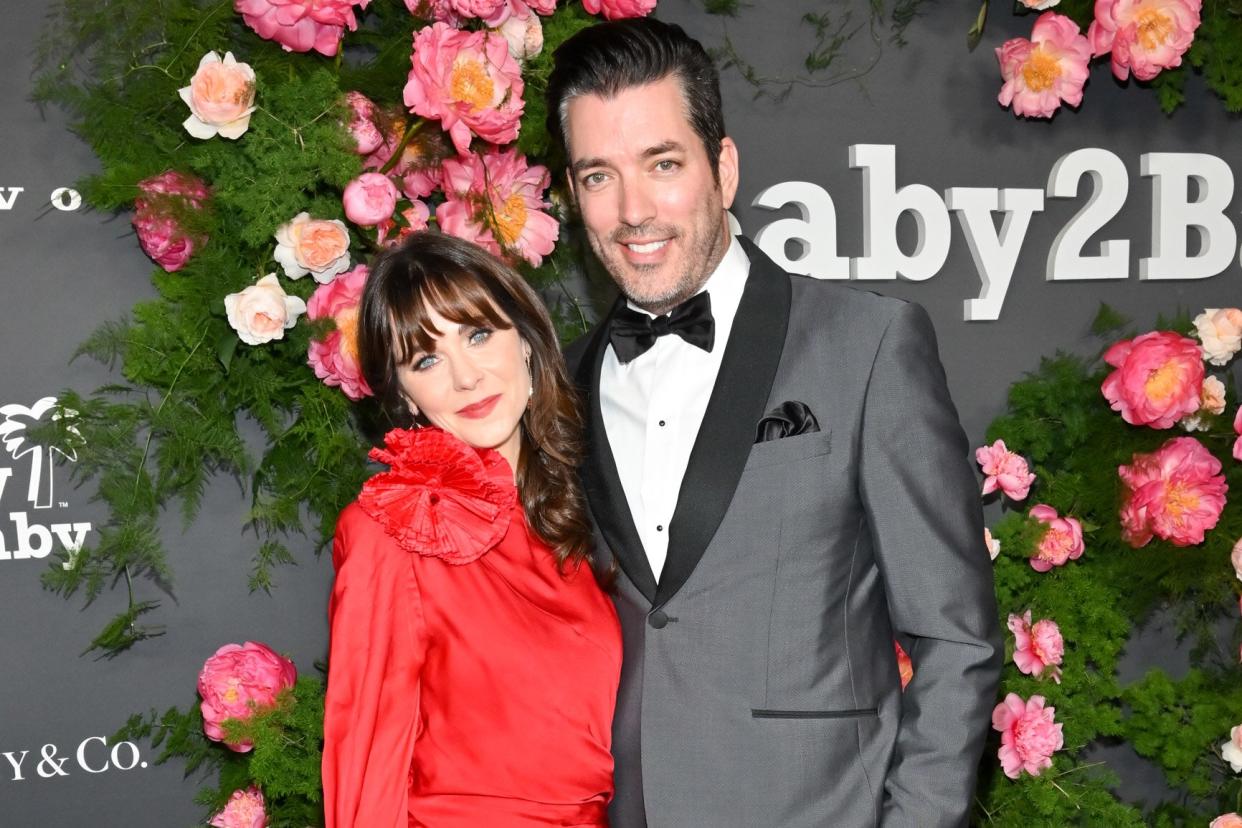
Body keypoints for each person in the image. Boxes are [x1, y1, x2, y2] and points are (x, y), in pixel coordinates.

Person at [547, 18, 1002, 828]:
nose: (632, 211)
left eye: (662, 164)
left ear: (722, 169)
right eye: (597, 177)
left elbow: (955, 641)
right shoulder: (562, 380)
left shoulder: (866, 346)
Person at [321, 231, 621, 828]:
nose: (465, 376)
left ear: (527, 343)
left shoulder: (590, 501)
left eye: (478, 334)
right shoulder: (391, 528)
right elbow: (365, 761)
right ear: (404, 395)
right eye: (426, 359)